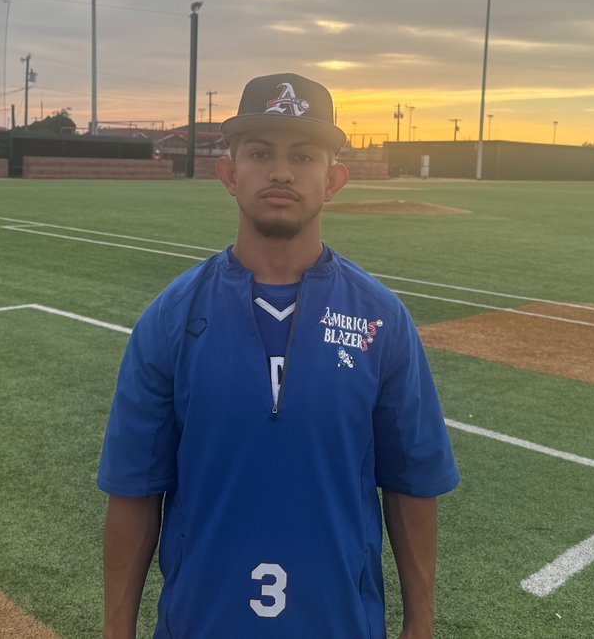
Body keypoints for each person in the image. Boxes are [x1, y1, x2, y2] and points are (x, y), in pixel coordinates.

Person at [98, 72, 459, 639]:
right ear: (229, 172)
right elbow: (134, 488)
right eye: (261, 153)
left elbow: (412, 481)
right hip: (201, 624)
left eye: (305, 154)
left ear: (333, 179)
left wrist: (421, 623)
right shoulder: (168, 319)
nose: (282, 171)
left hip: (339, 624)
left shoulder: (381, 320)